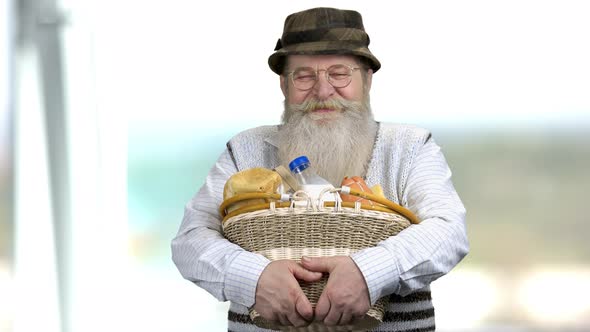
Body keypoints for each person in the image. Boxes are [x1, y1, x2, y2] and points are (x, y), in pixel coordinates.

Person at [172, 7, 469, 332]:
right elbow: (190, 240)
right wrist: (254, 279)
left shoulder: (410, 147)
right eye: (304, 75)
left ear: (367, 80)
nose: (323, 90)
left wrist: (368, 273)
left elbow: (449, 230)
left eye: (339, 73)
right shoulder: (245, 149)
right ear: (284, 85)